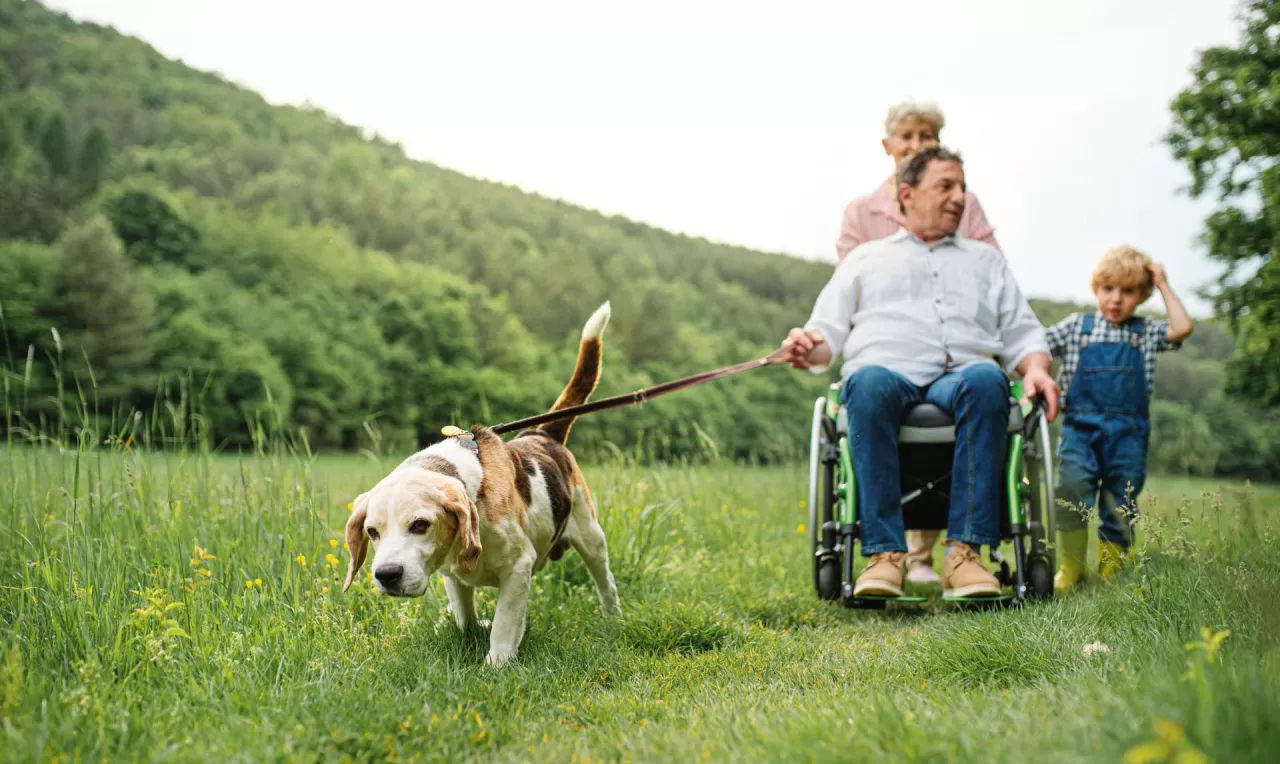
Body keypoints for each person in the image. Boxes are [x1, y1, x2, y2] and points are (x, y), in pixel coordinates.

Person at [782, 146, 1060, 598]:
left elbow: (1023, 334)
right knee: (866, 382)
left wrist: (1037, 370)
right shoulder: (866, 259)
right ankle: (884, 557)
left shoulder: (985, 261)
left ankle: (965, 556)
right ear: (906, 194)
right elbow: (825, 336)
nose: (959, 197)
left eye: (962, 188)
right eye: (945, 186)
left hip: (965, 377)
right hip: (886, 374)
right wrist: (805, 346)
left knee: (989, 380)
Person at [835, 100, 1003, 584]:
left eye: (926, 136)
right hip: (888, 349)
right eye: (906, 136)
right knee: (872, 387)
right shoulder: (862, 213)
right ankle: (889, 554)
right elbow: (848, 286)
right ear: (888, 146)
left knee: (978, 387)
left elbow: (988, 273)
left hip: (956, 353)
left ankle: (935, 555)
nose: (916, 144)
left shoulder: (960, 204)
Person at [1045, 247, 1193, 590]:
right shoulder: (1076, 327)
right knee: (1070, 493)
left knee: (1120, 502)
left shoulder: (1146, 332)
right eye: (1108, 289)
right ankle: (1072, 569)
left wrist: (1163, 284)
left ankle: (1112, 572)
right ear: (1096, 288)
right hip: (1079, 430)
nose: (1116, 299)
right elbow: (1036, 347)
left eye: (1128, 292)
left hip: (1128, 435)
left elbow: (1183, 327)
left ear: (1142, 296)